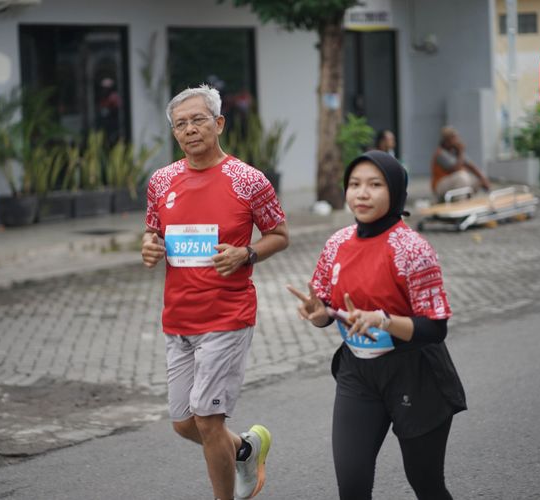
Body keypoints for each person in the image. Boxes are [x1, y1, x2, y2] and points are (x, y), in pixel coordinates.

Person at [287, 150, 466, 500]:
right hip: (358, 373)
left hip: (415, 374)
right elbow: (326, 309)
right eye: (354, 184)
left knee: (426, 484)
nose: (362, 194)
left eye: (374, 185)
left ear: (395, 190)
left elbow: (435, 328)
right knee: (352, 487)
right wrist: (318, 314)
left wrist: (383, 320)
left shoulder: (412, 249)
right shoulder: (337, 243)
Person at [141, 84, 289, 500]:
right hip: (178, 319)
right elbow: (152, 231)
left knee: (207, 420)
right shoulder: (161, 181)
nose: (190, 130)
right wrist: (148, 245)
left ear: (219, 123)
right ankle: (245, 448)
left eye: (198, 120)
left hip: (227, 315)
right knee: (183, 423)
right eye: (180, 124)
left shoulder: (249, 181)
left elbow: (280, 235)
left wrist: (247, 253)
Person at [431, 126, 491, 201]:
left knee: (476, 179)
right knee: (462, 177)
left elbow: (471, 166)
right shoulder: (440, 153)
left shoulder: (455, 151)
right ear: (447, 140)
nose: (457, 140)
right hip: (440, 185)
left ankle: (468, 200)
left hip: (456, 180)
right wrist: (461, 151)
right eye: (454, 138)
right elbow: (456, 169)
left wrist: (483, 179)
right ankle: (460, 203)